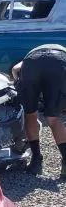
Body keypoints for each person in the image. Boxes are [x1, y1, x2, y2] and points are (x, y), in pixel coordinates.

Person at [11, 44, 66, 179]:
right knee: (52, 118)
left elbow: (15, 69)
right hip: (59, 63)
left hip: (31, 63)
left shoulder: (31, 55)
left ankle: (36, 161)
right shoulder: (62, 55)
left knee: (30, 114)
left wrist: (19, 82)